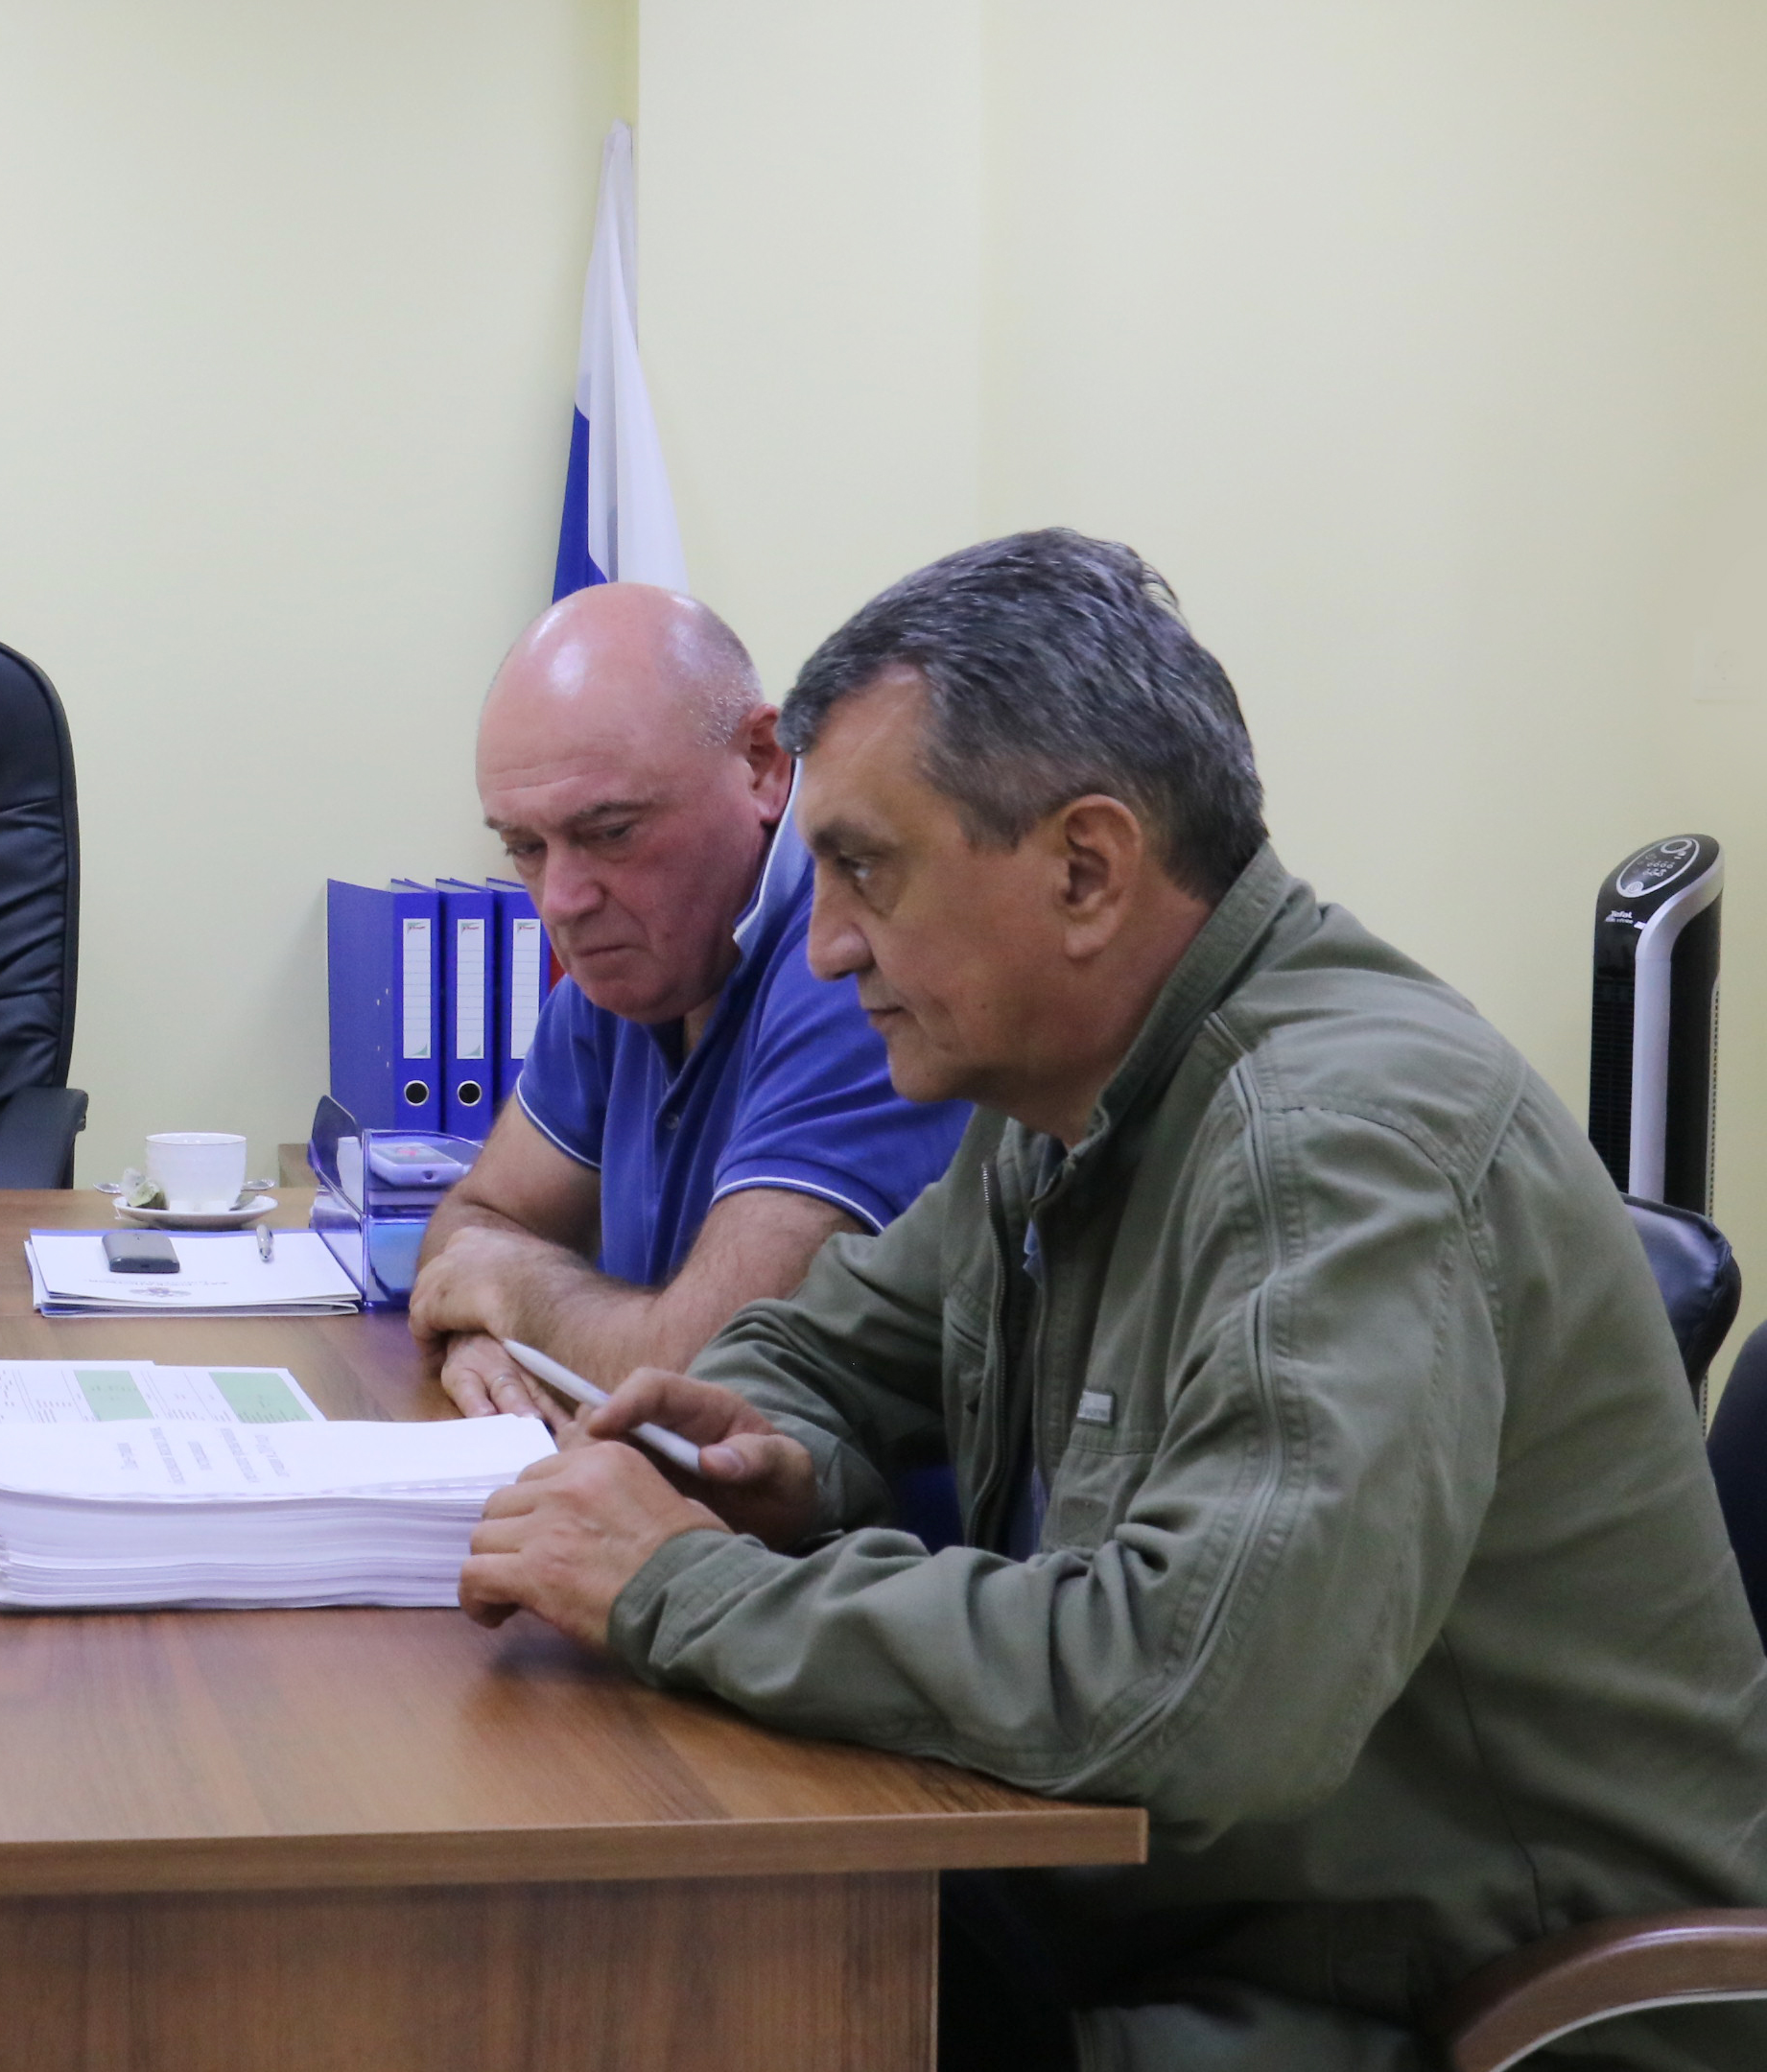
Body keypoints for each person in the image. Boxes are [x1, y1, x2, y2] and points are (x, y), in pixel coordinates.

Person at [459, 531, 1767, 2070]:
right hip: (1193, 1908)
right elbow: (819, 1345)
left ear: (1086, 869)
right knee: (664, 1948)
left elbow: (1197, 1695)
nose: (823, 943)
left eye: (867, 868)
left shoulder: (1339, 1143)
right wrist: (767, 1445)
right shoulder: (1064, 1098)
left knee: (694, 1994)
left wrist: (681, 1584)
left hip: (1461, 2008)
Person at [409, 582, 969, 1422]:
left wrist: (515, 1295)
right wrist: (485, 1330)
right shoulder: (631, 955)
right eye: (525, 846)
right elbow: (475, 1220)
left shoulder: (856, 964)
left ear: (762, 765)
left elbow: (709, 1377)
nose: (562, 899)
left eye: (612, 832)